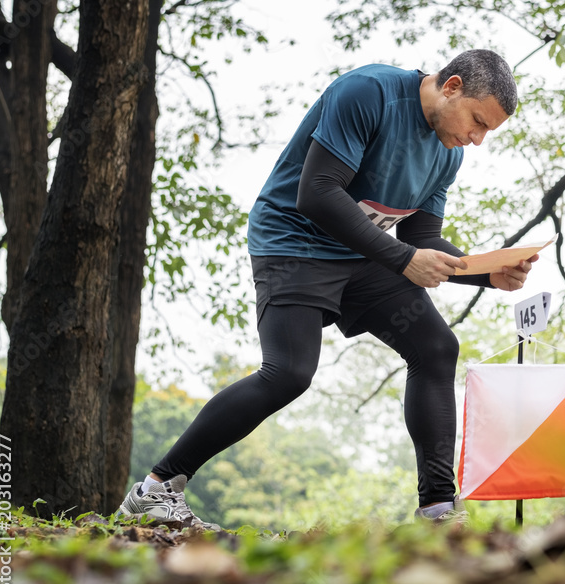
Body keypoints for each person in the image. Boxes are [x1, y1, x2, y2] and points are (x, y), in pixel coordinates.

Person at [117, 49, 534, 530]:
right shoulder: (368, 93)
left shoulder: (447, 152)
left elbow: (420, 240)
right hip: (294, 241)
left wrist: (486, 274)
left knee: (436, 347)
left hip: (363, 256)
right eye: (478, 122)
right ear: (452, 86)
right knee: (288, 373)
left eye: (487, 133)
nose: (476, 140)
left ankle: (438, 510)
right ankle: (155, 490)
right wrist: (401, 260)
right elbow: (316, 192)